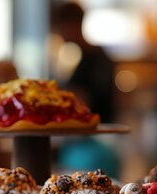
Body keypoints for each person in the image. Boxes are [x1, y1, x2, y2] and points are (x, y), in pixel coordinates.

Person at [51, 2, 119, 178]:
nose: (59, 33)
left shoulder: (97, 59)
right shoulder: (83, 58)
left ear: (73, 24)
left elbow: (86, 99)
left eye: (60, 27)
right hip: (88, 140)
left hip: (98, 141)